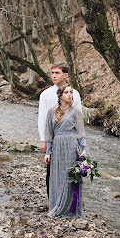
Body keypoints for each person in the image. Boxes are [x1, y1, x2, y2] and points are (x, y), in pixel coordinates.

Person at [38, 62, 82, 197]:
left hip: (70, 139)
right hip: (54, 138)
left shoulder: (74, 94)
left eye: (57, 73)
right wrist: (43, 140)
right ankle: (52, 199)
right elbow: (42, 118)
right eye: (52, 73)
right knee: (52, 169)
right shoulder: (45, 94)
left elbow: (78, 120)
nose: (54, 76)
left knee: (70, 168)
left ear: (65, 75)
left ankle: (70, 200)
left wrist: (80, 143)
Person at [44, 84, 86, 218]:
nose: (70, 95)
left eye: (71, 92)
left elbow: (80, 133)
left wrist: (82, 150)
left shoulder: (76, 112)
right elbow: (49, 133)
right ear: (60, 95)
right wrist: (48, 152)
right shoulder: (51, 111)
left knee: (71, 175)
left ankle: (71, 208)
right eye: (67, 92)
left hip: (71, 145)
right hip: (57, 146)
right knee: (58, 175)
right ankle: (57, 204)